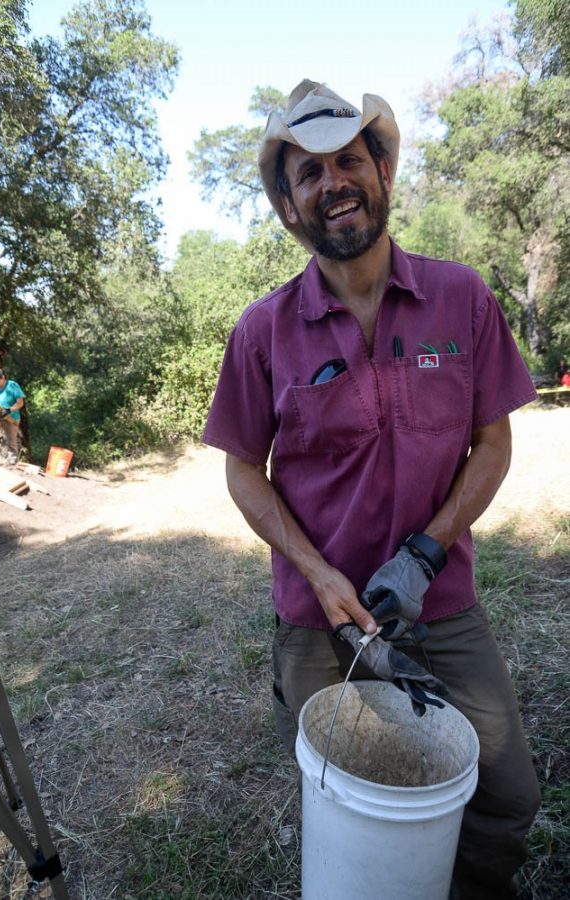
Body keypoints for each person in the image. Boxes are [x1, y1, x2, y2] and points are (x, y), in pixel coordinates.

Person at [203, 80, 541, 899]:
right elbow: (242, 464)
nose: (334, 183)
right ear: (289, 207)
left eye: (349, 160)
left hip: (441, 598)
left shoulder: (460, 298)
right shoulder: (263, 331)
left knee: (509, 794)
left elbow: (494, 440)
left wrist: (426, 553)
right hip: (318, 617)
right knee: (346, 792)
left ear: (383, 174)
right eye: (309, 174)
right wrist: (317, 574)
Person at [0, 367, 25, 465]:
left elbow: (20, 403)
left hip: (11, 417)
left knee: (11, 439)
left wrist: (8, 410)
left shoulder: (13, 385)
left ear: (3, 377)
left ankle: (12, 460)